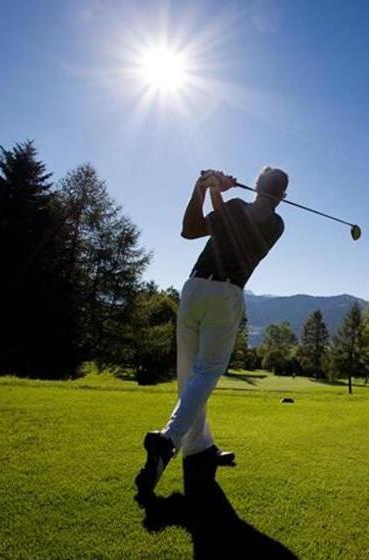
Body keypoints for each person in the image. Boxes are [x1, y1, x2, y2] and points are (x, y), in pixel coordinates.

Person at [135, 166, 288, 501]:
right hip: (222, 295)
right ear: (283, 196)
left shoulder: (269, 223)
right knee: (202, 375)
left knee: (191, 377)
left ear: (259, 186)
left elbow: (233, 229)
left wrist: (217, 189)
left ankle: (199, 448)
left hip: (193, 292)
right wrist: (201, 187)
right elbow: (190, 230)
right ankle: (169, 440)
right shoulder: (242, 210)